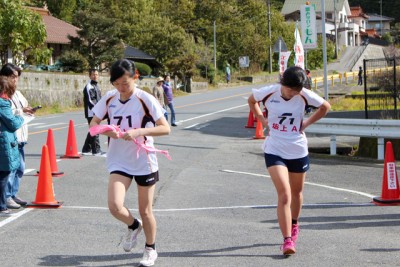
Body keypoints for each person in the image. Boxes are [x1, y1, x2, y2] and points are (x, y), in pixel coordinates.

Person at [89, 59, 170, 266]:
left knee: (146, 210)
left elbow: (165, 128)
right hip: (119, 160)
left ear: (135, 77)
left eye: (125, 83)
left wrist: (139, 132)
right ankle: (134, 226)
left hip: (144, 160)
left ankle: (150, 249)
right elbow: (93, 124)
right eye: (116, 84)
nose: (121, 88)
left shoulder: (146, 99)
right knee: (115, 206)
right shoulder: (109, 99)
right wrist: (106, 130)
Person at [248, 66, 330, 255]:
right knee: (284, 194)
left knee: (297, 192)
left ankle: (294, 224)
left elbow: (325, 107)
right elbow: (252, 101)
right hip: (275, 148)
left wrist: (306, 123)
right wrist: (262, 120)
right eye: (290, 89)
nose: (293, 93)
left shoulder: (304, 95)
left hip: (297, 148)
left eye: (297, 90)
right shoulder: (269, 92)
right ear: (283, 83)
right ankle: (287, 241)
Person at [0, 63, 34, 209]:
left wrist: (25, 110)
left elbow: (20, 108)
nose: (15, 80)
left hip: (20, 136)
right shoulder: (4, 95)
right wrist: (21, 113)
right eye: (13, 76)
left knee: (19, 168)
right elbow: (10, 116)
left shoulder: (17, 93)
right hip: (11, 137)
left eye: (17, 77)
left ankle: (12, 194)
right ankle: (6, 197)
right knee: (9, 170)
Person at [0, 76, 24, 216]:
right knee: (3, 175)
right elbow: (13, 123)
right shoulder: (3, 103)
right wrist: (21, 117)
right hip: (4, 142)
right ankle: (2, 206)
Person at [82, 69, 104, 156]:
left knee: (92, 129)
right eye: (93, 74)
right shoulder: (89, 86)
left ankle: (86, 149)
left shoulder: (96, 86)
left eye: (96, 74)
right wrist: (97, 110)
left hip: (97, 111)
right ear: (90, 76)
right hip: (92, 112)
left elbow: (100, 99)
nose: (95, 76)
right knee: (95, 129)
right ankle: (96, 150)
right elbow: (91, 101)